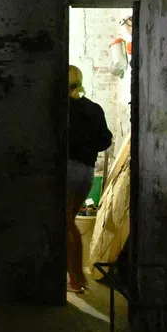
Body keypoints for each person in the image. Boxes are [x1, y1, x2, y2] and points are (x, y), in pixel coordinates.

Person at [66, 65, 112, 294]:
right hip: (86, 173)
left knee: (65, 225)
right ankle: (78, 277)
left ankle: (75, 280)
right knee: (70, 224)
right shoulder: (93, 109)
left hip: (66, 169)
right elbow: (105, 141)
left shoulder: (62, 109)